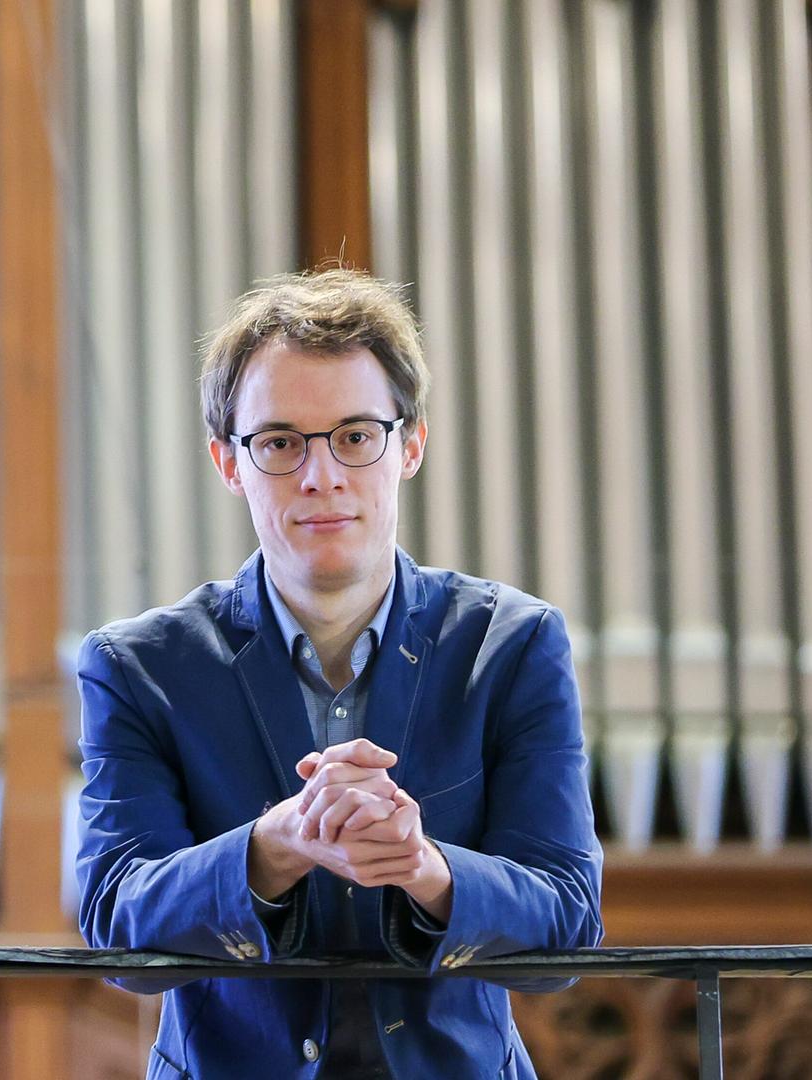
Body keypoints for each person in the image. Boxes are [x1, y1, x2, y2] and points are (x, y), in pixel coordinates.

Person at [74, 269, 603, 1078]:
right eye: (280, 442)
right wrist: (273, 847)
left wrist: (427, 870)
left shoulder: (514, 645)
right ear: (228, 462)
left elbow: (566, 923)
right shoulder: (138, 666)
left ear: (410, 445)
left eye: (355, 436)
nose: (321, 475)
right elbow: (116, 922)